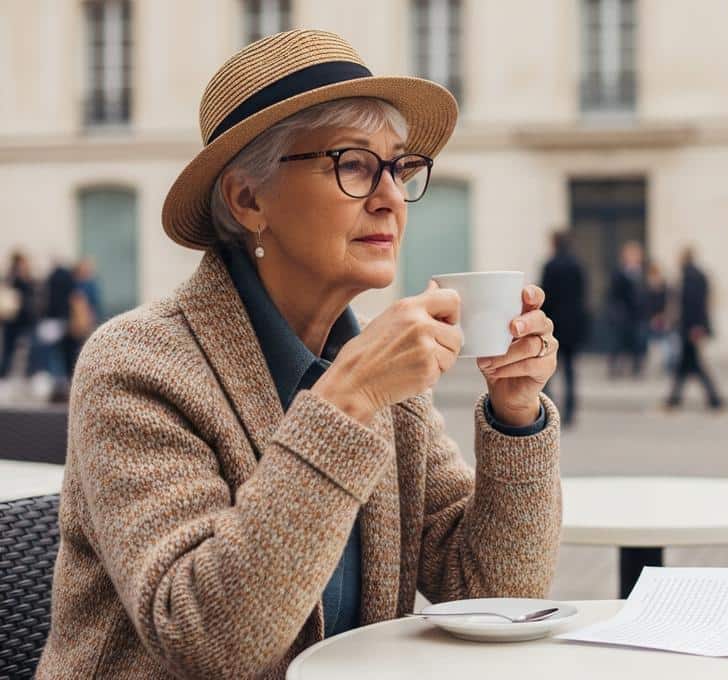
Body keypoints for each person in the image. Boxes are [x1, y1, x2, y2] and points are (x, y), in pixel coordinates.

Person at [38, 30, 563, 679]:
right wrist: (348, 400)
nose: (392, 197)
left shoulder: (372, 365)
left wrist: (517, 415)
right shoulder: (137, 366)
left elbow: (493, 591)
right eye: (352, 164)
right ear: (248, 199)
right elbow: (207, 641)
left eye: (399, 167)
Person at [664, 248, 723, 411]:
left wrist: (695, 327)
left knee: (692, 365)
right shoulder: (696, 275)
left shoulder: (690, 277)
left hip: (690, 328)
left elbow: (694, 306)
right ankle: (675, 399)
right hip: (692, 327)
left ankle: (713, 399)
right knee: (686, 365)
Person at [540, 230, 588, 427]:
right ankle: (570, 410)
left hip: (555, 324)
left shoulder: (551, 266)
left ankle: (549, 406)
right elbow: (582, 296)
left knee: (547, 369)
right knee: (569, 370)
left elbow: (545, 296)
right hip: (572, 326)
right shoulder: (577, 266)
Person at [606, 240, 648, 379]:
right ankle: (614, 367)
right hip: (623, 314)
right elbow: (613, 293)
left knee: (638, 342)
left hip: (638, 315)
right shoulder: (619, 272)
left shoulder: (643, 272)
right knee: (617, 342)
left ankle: (636, 368)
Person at [0, 251, 37, 379]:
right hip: (12, 320)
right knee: (8, 350)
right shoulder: (12, 278)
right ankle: (4, 375)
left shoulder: (27, 278)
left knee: (27, 350)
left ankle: (27, 374)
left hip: (24, 321)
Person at [644, 259, 674, 374]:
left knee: (666, 345)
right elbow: (646, 304)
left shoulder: (665, 286)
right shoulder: (647, 286)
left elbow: (669, 302)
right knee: (653, 345)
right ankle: (656, 367)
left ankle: (666, 366)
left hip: (663, 318)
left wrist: (665, 316)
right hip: (651, 319)